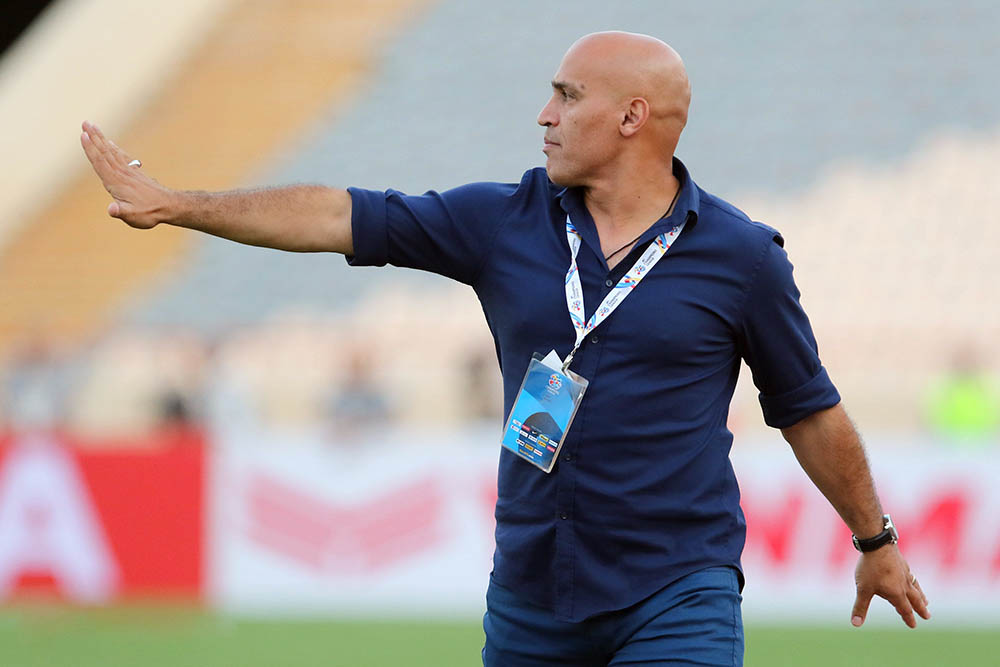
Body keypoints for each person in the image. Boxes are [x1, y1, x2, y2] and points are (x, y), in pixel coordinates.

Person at [81, 31, 930, 666]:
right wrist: (181, 205)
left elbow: (809, 410)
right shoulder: (502, 221)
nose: (544, 115)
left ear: (631, 117)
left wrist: (875, 539)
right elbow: (340, 213)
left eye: (566, 95)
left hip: (677, 591)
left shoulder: (741, 256)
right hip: (531, 595)